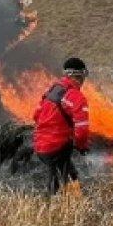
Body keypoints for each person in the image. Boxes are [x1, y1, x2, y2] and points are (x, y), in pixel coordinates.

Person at [33, 57, 91, 195]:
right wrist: (81, 146)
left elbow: (36, 116)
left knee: (61, 173)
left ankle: (58, 199)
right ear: (80, 75)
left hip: (40, 145)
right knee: (68, 180)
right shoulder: (76, 96)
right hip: (57, 147)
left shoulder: (52, 91)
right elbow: (82, 130)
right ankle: (62, 206)